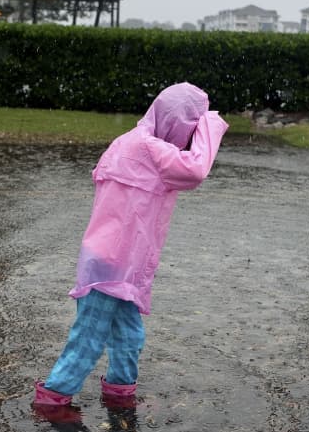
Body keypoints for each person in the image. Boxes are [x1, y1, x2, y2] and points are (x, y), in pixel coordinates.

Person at [33, 82, 229, 414]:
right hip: (112, 263)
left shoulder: (127, 142)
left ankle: (120, 394)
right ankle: (52, 402)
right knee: (88, 339)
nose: (191, 135)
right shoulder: (151, 149)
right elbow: (196, 170)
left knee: (128, 337)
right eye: (191, 127)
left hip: (117, 262)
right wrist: (210, 125)